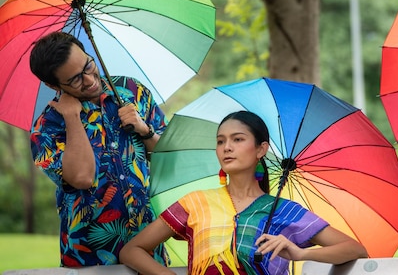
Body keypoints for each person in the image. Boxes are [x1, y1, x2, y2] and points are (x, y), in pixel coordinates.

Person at [120, 110, 369, 275]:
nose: (227, 147)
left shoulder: (283, 211)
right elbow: (131, 251)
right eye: (220, 141)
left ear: (261, 149)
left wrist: (299, 252)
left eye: (237, 139)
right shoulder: (195, 203)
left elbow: (355, 249)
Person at [29, 31, 169, 267]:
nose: (89, 80)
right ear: (52, 84)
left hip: (148, 242)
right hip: (89, 253)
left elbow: (170, 155)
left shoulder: (132, 91)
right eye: (75, 79)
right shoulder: (47, 127)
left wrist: (145, 130)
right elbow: (82, 178)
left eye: (88, 65)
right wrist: (73, 118)